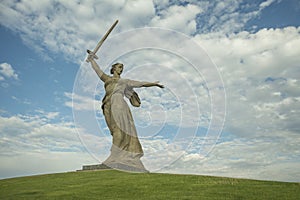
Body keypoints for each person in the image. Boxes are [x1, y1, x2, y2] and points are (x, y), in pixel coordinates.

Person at [87, 54, 164, 172]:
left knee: (118, 128)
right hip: (107, 104)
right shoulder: (107, 79)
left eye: (122, 68)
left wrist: (154, 83)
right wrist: (92, 59)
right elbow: (97, 70)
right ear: (113, 69)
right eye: (119, 67)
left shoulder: (124, 81)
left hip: (118, 103)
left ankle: (114, 156)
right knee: (113, 130)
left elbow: (141, 83)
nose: (121, 69)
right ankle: (118, 155)